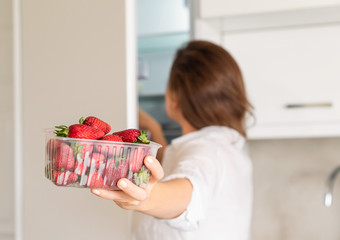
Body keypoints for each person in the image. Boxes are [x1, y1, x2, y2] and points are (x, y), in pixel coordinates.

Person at [91, 40, 253, 240]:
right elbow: (179, 164)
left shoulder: (206, 151)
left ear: (174, 97)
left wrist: (148, 198)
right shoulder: (226, 146)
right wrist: (154, 129)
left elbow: (189, 193)